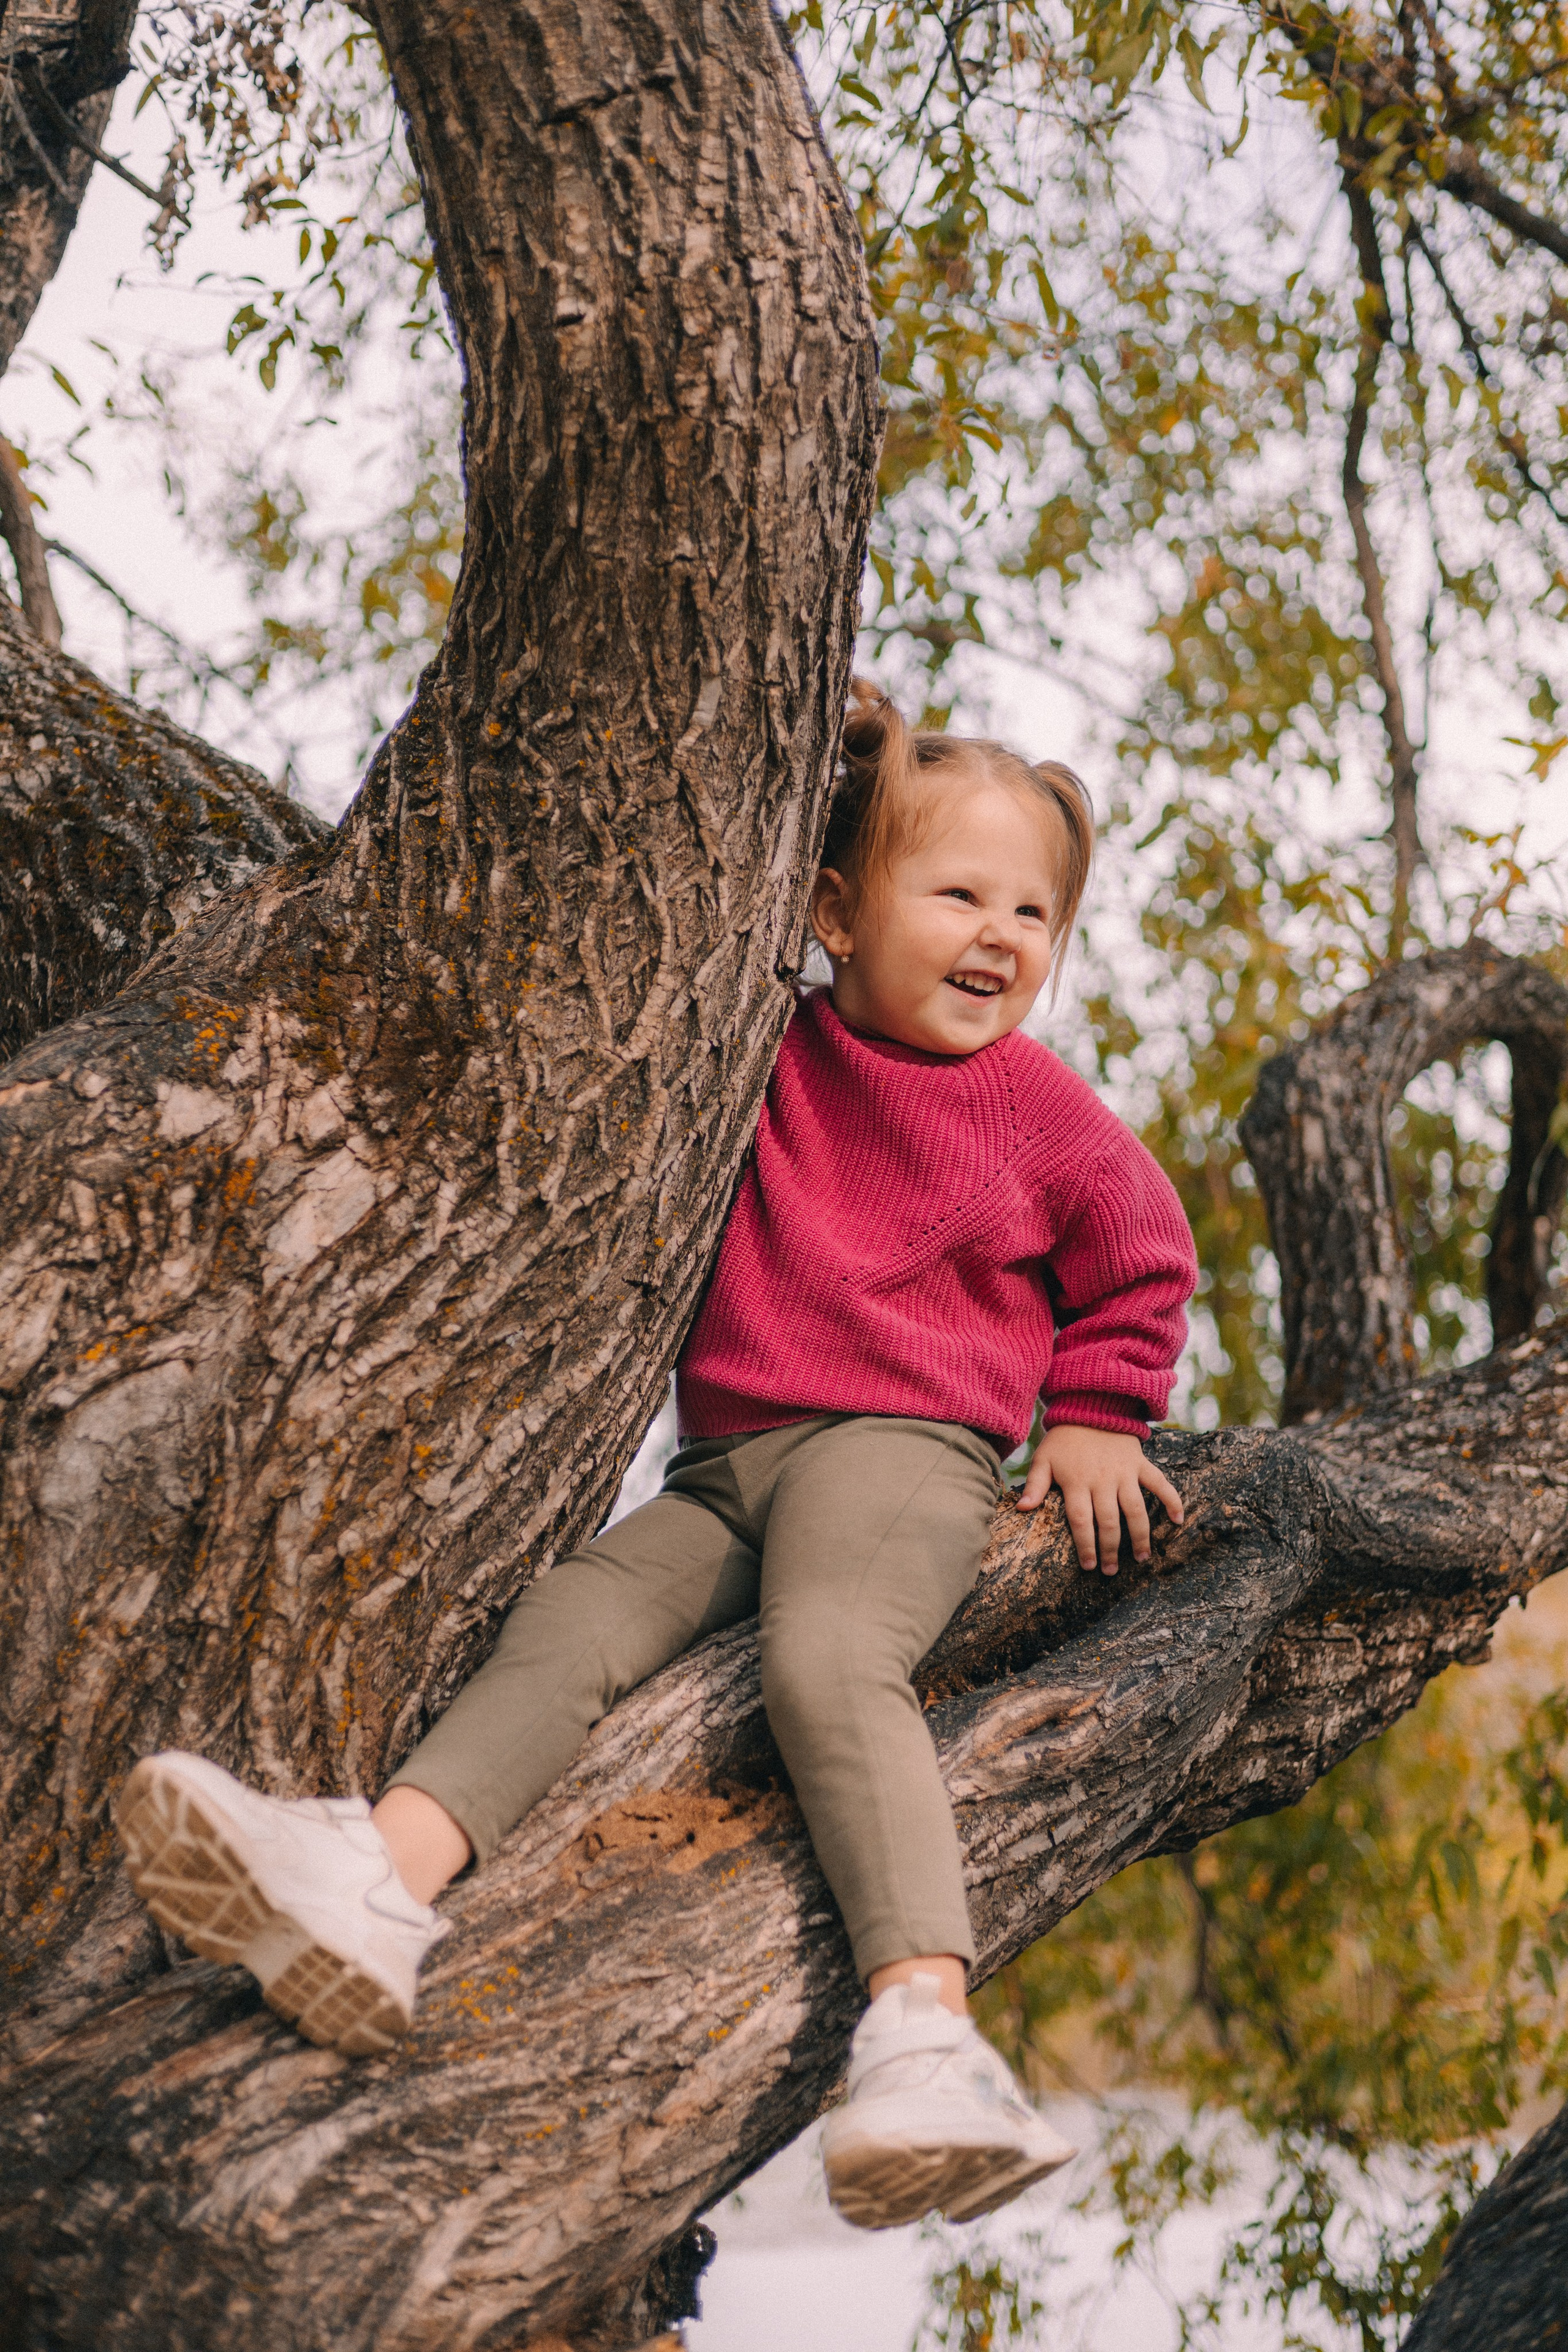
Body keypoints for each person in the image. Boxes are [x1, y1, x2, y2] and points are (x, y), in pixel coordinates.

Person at [116, 680, 1197, 2232]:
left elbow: (1138, 1247)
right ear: (831, 906)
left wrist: (1099, 1412)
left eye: (1032, 911)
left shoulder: (1025, 1105)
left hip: (899, 1451)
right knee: (572, 1618)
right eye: (955, 891)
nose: (1000, 934)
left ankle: (924, 2029)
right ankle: (379, 1879)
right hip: (731, 1463)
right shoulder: (755, 1045)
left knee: (827, 1660)